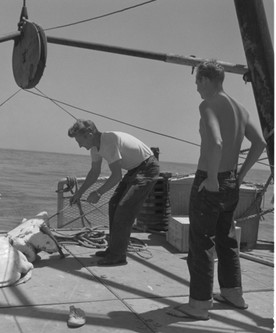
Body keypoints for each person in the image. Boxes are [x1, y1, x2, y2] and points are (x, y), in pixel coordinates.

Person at [168, 61, 266, 320]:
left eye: (198, 81)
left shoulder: (208, 104)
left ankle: (199, 305)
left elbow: (217, 141)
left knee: (201, 243)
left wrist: (211, 178)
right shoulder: (240, 108)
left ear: (207, 79)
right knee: (227, 238)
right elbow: (259, 143)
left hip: (210, 182)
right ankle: (233, 293)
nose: (196, 87)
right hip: (232, 182)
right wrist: (241, 175)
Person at [68, 119, 160, 266]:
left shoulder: (109, 141)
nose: (79, 146)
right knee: (114, 204)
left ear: (90, 134)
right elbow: (94, 172)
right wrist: (79, 193)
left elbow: (116, 176)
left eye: (80, 141)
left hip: (148, 168)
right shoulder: (95, 148)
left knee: (124, 208)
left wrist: (98, 193)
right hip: (134, 169)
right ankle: (113, 250)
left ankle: (118, 256)